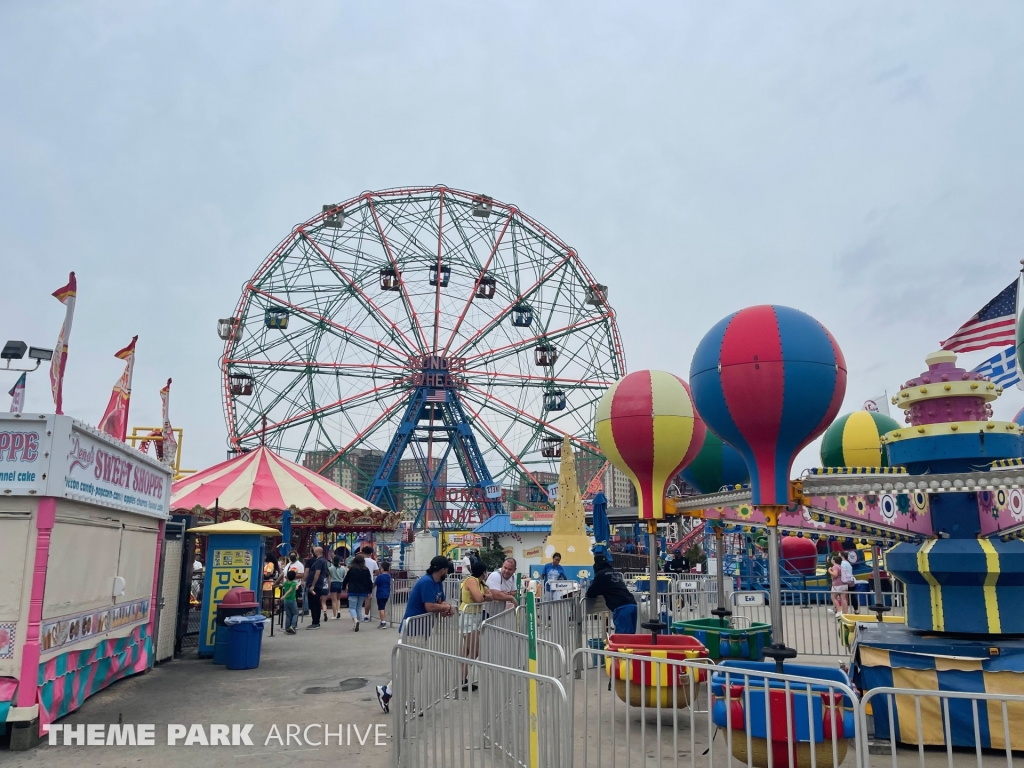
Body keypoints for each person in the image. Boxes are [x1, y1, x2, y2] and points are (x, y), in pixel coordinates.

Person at [376, 556, 456, 714]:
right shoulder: (426, 582)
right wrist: (446, 607)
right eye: (447, 570)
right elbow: (430, 606)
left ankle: (387, 691)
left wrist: (446, 608)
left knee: (414, 666)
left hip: (423, 631)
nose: (447, 573)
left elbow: (440, 602)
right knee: (411, 668)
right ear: (442, 570)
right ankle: (409, 702)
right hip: (413, 631)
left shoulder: (437, 582)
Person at [459, 559, 490, 691]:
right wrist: (485, 596)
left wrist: (485, 596)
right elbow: (479, 598)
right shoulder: (471, 580)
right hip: (468, 616)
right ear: (483, 572)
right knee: (474, 651)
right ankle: (462, 680)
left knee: (467, 650)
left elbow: (489, 595)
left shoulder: (481, 582)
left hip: (475, 616)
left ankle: (463, 678)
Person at [586, 554, 637, 633]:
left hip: (621, 607)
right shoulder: (615, 572)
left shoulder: (601, 574)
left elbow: (592, 592)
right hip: (632, 604)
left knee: (623, 637)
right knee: (631, 636)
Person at [342, 554, 374, 632]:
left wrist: (343, 587)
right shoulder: (366, 570)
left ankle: (356, 621)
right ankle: (358, 622)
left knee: (352, 608)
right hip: (363, 591)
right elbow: (369, 581)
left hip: (353, 590)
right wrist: (369, 591)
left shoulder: (352, 569)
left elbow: (346, 579)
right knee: (359, 607)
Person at [304, 547, 328, 629]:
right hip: (319, 584)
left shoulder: (319, 561)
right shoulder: (322, 561)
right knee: (316, 603)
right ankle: (316, 621)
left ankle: (315, 622)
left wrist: (313, 585)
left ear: (317, 552)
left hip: (315, 585)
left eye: (314, 551)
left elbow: (317, 573)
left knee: (313, 604)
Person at [361, 545, 380, 623]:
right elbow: (377, 572)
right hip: (369, 582)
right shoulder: (373, 562)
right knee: (368, 599)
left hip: (359, 581)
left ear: (363, 552)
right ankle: (366, 616)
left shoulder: (360, 561)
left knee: (358, 598)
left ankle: (357, 615)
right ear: (371, 553)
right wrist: (372, 574)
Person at [328, 555, 348, 620]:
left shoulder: (330, 568)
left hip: (333, 583)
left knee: (334, 600)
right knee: (338, 599)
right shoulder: (343, 568)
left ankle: (334, 615)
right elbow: (345, 576)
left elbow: (328, 577)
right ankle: (338, 610)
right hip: (340, 583)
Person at [374, 561, 392, 628]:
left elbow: (375, 584)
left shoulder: (380, 577)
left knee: (381, 608)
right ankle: (382, 620)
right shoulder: (389, 576)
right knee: (383, 607)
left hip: (380, 594)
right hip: (387, 593)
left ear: (382, 568)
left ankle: (383, 622)